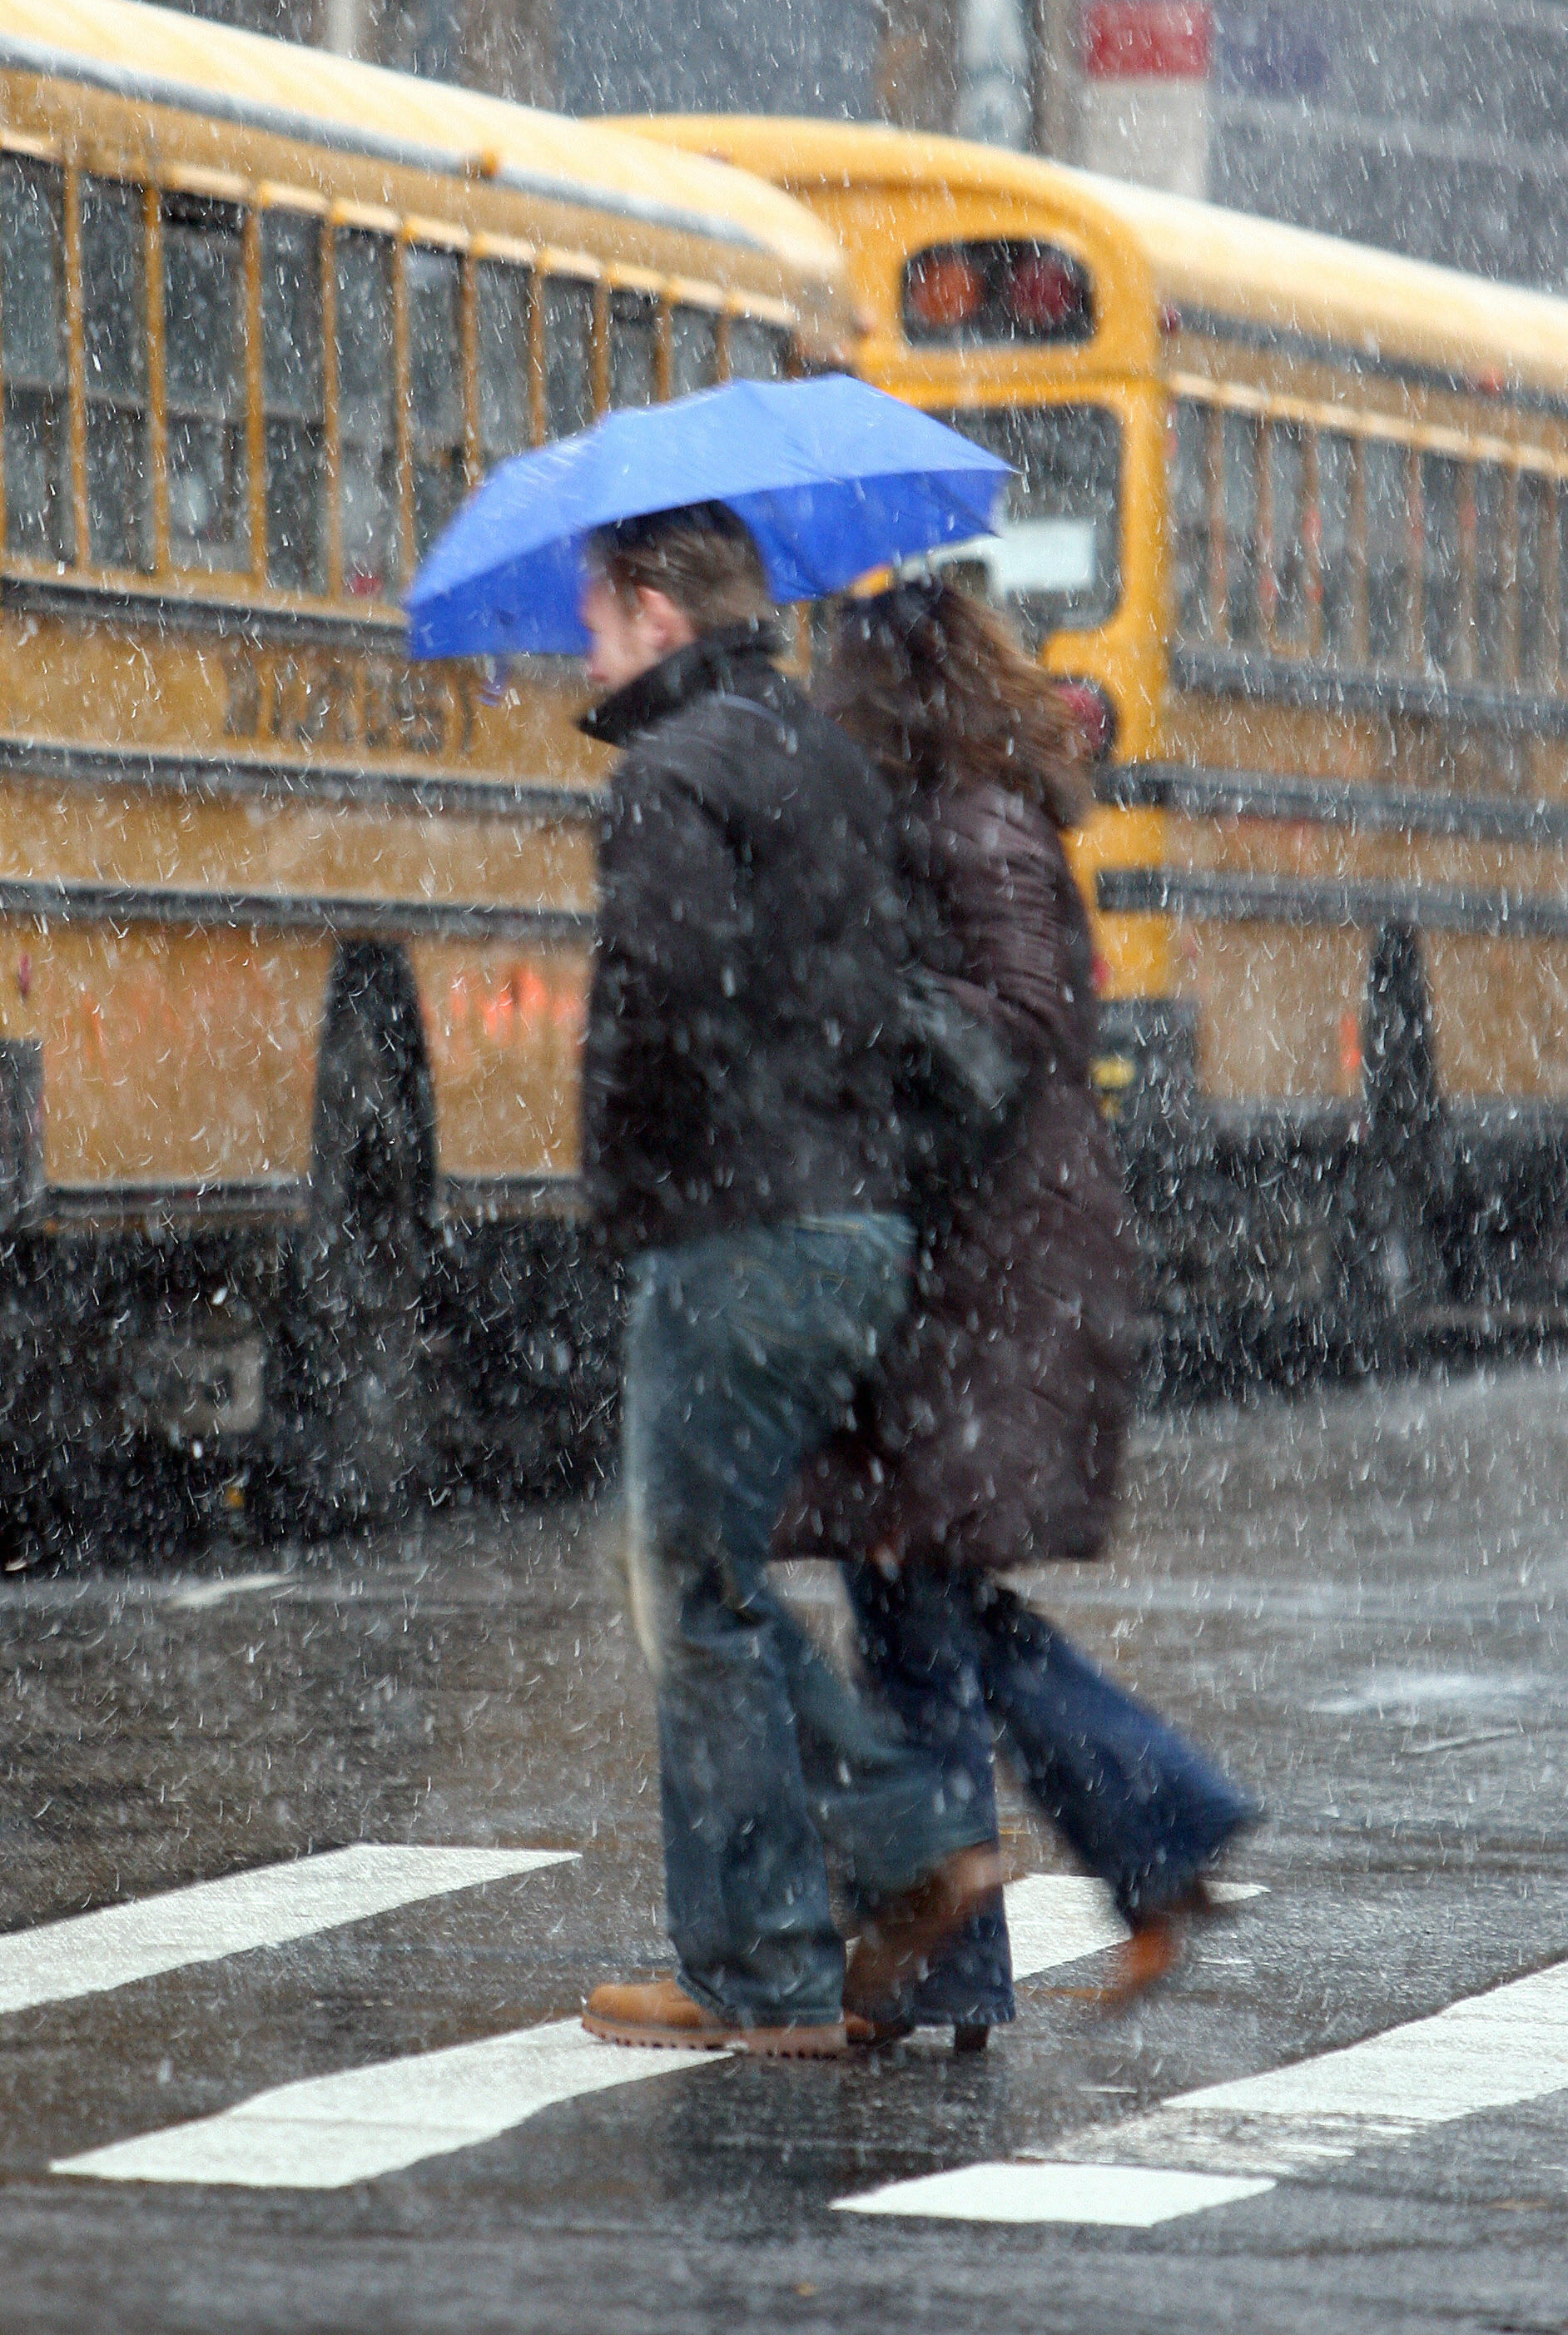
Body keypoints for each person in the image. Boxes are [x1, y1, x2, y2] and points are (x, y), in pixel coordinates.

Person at [781, 578, 1258, 2044]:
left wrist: (870, 1017)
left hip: (988, 1282)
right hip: (982, 1267)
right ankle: (1108, 1861)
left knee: (912, 1595)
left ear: (893, 683)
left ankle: (1121, 1849)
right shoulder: (952, 810)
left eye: (836, 675)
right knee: (924, 1601)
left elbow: (1015, 1021)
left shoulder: (966, 821)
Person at [573, 504, 1001, 2060]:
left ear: (657, 616)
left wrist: (620, 1195)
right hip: (853, 1220)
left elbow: (663, 999)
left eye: (598, 613)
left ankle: (781, 1954)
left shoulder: (668, 777)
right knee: (724, 1588)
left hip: (739, 1229)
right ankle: (841, 1900)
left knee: (695, 1594)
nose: (586, 642)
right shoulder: (822, 755)